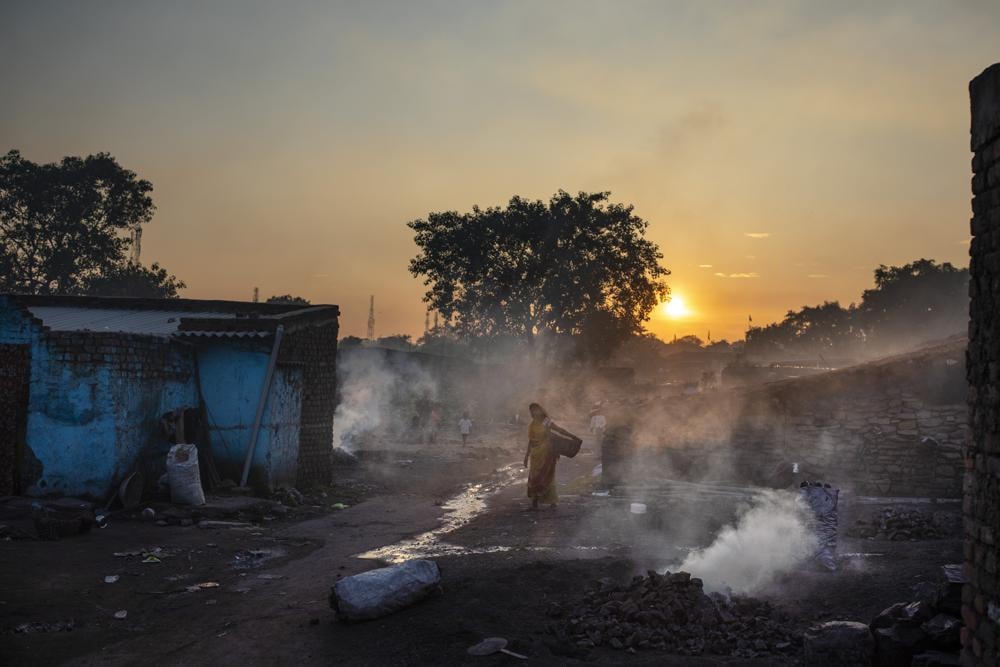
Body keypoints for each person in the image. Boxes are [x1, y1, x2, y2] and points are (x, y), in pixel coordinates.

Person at [522, 402, 575, 510]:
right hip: (535, 455)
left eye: (536, 409)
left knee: (548, 476)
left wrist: (572, 437)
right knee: (534, 478)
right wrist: (526, 456)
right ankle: (534, 503)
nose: (534, 412)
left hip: (548, 453)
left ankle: (552, 501)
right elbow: (530, 441)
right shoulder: (532, 424)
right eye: (532, 410)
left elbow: (559, 430)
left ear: (540, 410)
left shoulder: (546, 421)